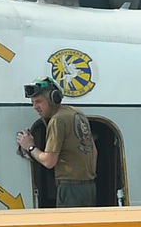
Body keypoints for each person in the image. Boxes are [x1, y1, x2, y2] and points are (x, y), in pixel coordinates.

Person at [16, 76, 97, 207]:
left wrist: (30, 147)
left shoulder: (57, 121)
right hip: (89, 188)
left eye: (39, 101)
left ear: (54, 99)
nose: (35, 107)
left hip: (70, 189)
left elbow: (49, 161)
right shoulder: (77, 113)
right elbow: (94, 152)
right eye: (33, 102)